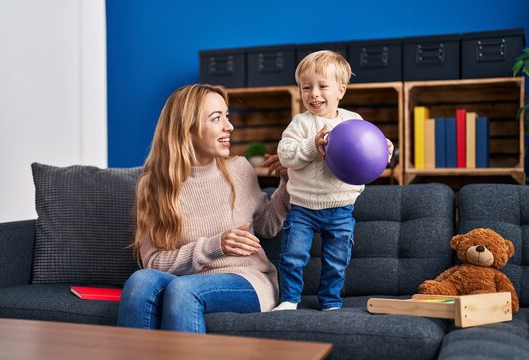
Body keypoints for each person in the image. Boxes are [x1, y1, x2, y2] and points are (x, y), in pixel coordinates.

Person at [117, 84, 290, 333]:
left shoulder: (239, 169)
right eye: (216, 118)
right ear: (187, 129)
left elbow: (267, 226)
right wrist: (215, 245)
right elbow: (153, 262)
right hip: (187, 281)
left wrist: (287, 183)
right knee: (140, 281)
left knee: (184, 289)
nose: (229, 127)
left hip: (248, 280)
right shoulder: (153, 185)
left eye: (226, 116)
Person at [273, 50, 394, 311]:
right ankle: (289, 299)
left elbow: (369, 146)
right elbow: (285, 155)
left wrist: (386, 147)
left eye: (322, 86)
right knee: (293, 257)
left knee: (336, 260)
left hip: (341, 208)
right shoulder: (300, 124)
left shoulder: (353, 121)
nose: (314, 94)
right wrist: (311, 146)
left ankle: (330, 302)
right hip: (303, 208)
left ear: (341, 90)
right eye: (306, 87)